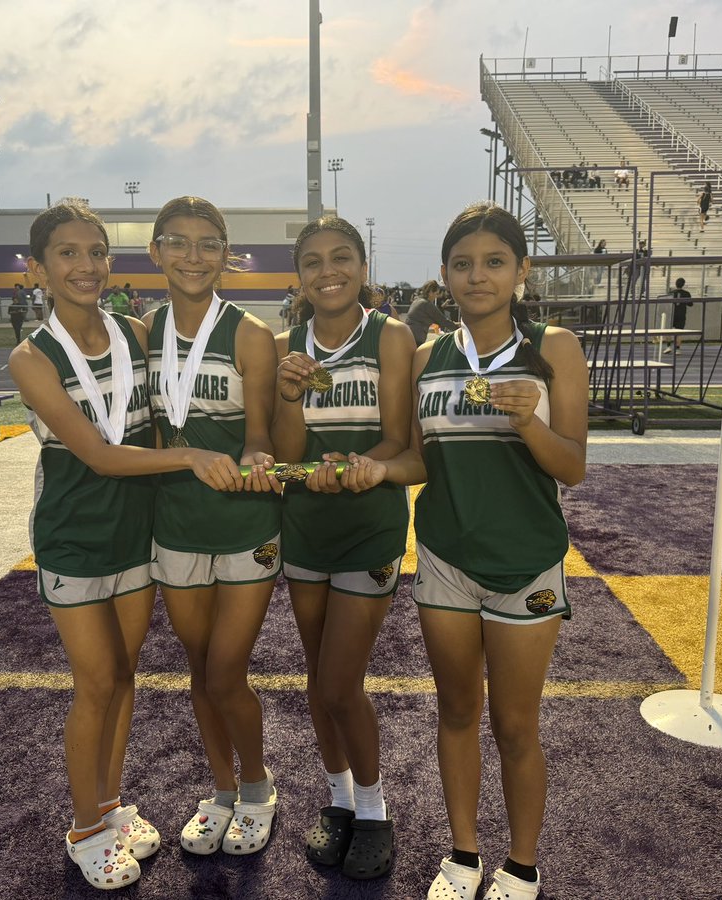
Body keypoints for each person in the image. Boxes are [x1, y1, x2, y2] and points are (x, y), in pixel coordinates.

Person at [343, 201, 588, 900]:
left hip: (525, 564)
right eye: (462, 264)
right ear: (444, 275)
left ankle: (522, 865)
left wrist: (528, 424)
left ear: (521, 270)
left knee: (515, 724)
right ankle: (462, 855)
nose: (477, 277)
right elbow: (419, 460)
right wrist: (376, 470)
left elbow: (571, 465)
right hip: (446, 560)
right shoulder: (428, 357)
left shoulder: (554, 346)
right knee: (454, 713)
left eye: (494, 262)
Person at [9, 199, 243, 891]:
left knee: (126, 676)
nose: (86, 266)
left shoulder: (136, 333)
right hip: (75, 540)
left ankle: (110, 806)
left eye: (97, 252)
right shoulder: (31, 358)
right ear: (38, 269)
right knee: (96, 683)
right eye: (68, 254)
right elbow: (102, 456)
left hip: (137, 537)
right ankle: (85, 828)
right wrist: (191, 459)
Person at [271, 216, 414, 880]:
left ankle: (376, 809)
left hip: (369, 530)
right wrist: (291, 392)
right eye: (313, 261)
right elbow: (284, 458)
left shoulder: (391, 335)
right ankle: (338, 802)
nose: (328, 270)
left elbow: (398, 440)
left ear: (362, 265)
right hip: (305, 528)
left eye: (342, 257)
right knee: (315, 677)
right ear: (298, 274)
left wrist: (360, 463)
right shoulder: (285, 347)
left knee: (339, 682)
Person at [141, 196, 284, 859]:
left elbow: (260, 438)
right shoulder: (145, 332)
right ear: (155, 252)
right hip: (175, 525)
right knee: (199, 672)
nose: (194, 257)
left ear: (227, 254)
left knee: (227, 672)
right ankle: (221, 790)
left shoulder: (250, 333)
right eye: (179, 242)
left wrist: (258, 461)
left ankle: (258, 787)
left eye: (208, 244)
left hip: (245, 525)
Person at [406, 280, 459, 346]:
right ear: (431, 292)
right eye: (436, 294)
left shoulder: (417, 301)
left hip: (408, 336)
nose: (436, 297)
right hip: (416, 339)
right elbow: (442, 320)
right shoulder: (426, 304)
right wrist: (459, 329)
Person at [667, 277, 693, 353]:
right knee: (679, 332)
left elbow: (667, 304)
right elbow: (690, 304)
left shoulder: (671, 293)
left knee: (668, 330)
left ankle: (668, 347)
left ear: (676, 284)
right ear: (683, 285)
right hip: (681, 314)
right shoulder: (686, 293)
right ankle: (677, 349)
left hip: (672, 314)